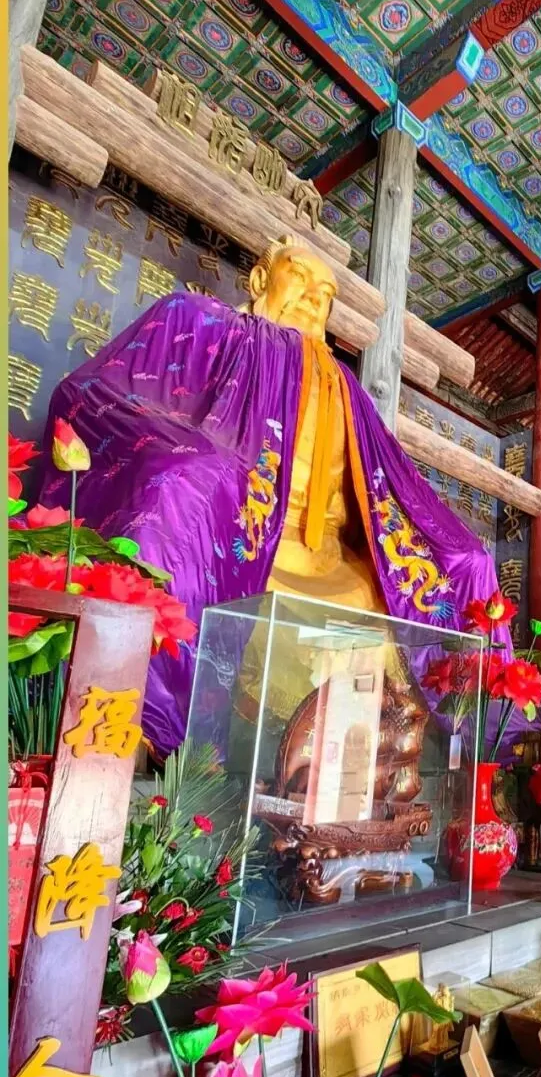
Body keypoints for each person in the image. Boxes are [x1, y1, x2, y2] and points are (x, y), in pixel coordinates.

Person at [38, 237, 508, 753]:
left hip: (330, 558)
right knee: (181, 487)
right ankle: (148, 733)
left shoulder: (343, 385)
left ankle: (474, 753)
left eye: (326, 296)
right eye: (301, 279)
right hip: (231, 536)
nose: (313, 299)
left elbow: (391, 484)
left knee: (469, 563)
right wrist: (198, 457)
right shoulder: (197, 319)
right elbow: (88, 394)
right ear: (262, 279)